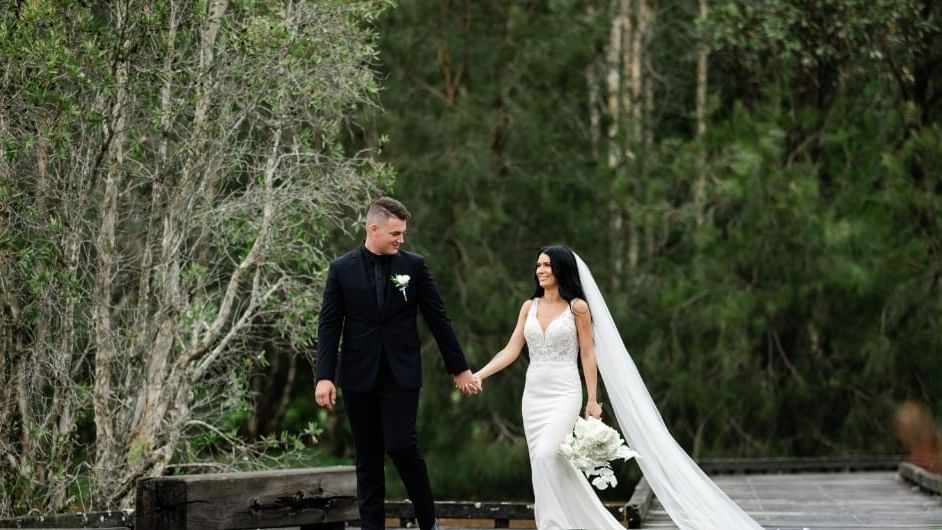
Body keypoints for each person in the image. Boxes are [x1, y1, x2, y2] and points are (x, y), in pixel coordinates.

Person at [474, 245, 764, 530]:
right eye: (538, 265)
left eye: (547, 265)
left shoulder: (578, 308)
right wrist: (479, 375)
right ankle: (555, 524)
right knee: (542, 462)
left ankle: (558, 525)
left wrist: (592, 400)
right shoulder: (529, 307)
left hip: (564, 392)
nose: (540, 270)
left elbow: (588, 354)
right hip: (533, 396)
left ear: (561, 269)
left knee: (547, 454)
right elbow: (511, 349)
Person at [314, 197, 480, 530]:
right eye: (395, 233)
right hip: (358, 375)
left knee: (401, 445)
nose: (401, 239)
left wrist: (460, 368)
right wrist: (324, 376)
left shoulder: (414, 267)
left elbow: (438, 318)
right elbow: (329, 325)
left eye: (402, 233)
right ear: (373, 229)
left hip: (401, 373)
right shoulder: (341, 269)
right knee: (368, 458)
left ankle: (428, 521)